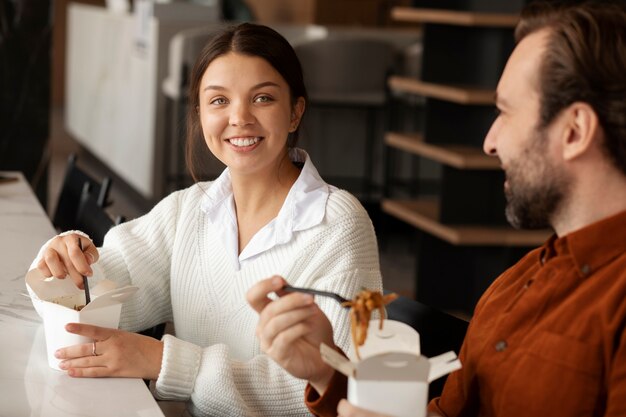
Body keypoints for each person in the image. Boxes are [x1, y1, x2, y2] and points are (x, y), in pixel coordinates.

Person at [247, 2, 626, 416]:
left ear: (574, 131)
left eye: (504, 112)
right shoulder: (512, 287)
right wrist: (327, 371)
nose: (490, 141)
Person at [32, 23, 382, 416]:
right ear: (199, 114)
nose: (240, 118)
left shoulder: (338, 225)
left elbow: (335, 386)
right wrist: (62, 259)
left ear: (295, 112)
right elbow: (95, 296)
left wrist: (166, 362)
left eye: (263, 98)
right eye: (219, 101)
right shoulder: (188, 210)